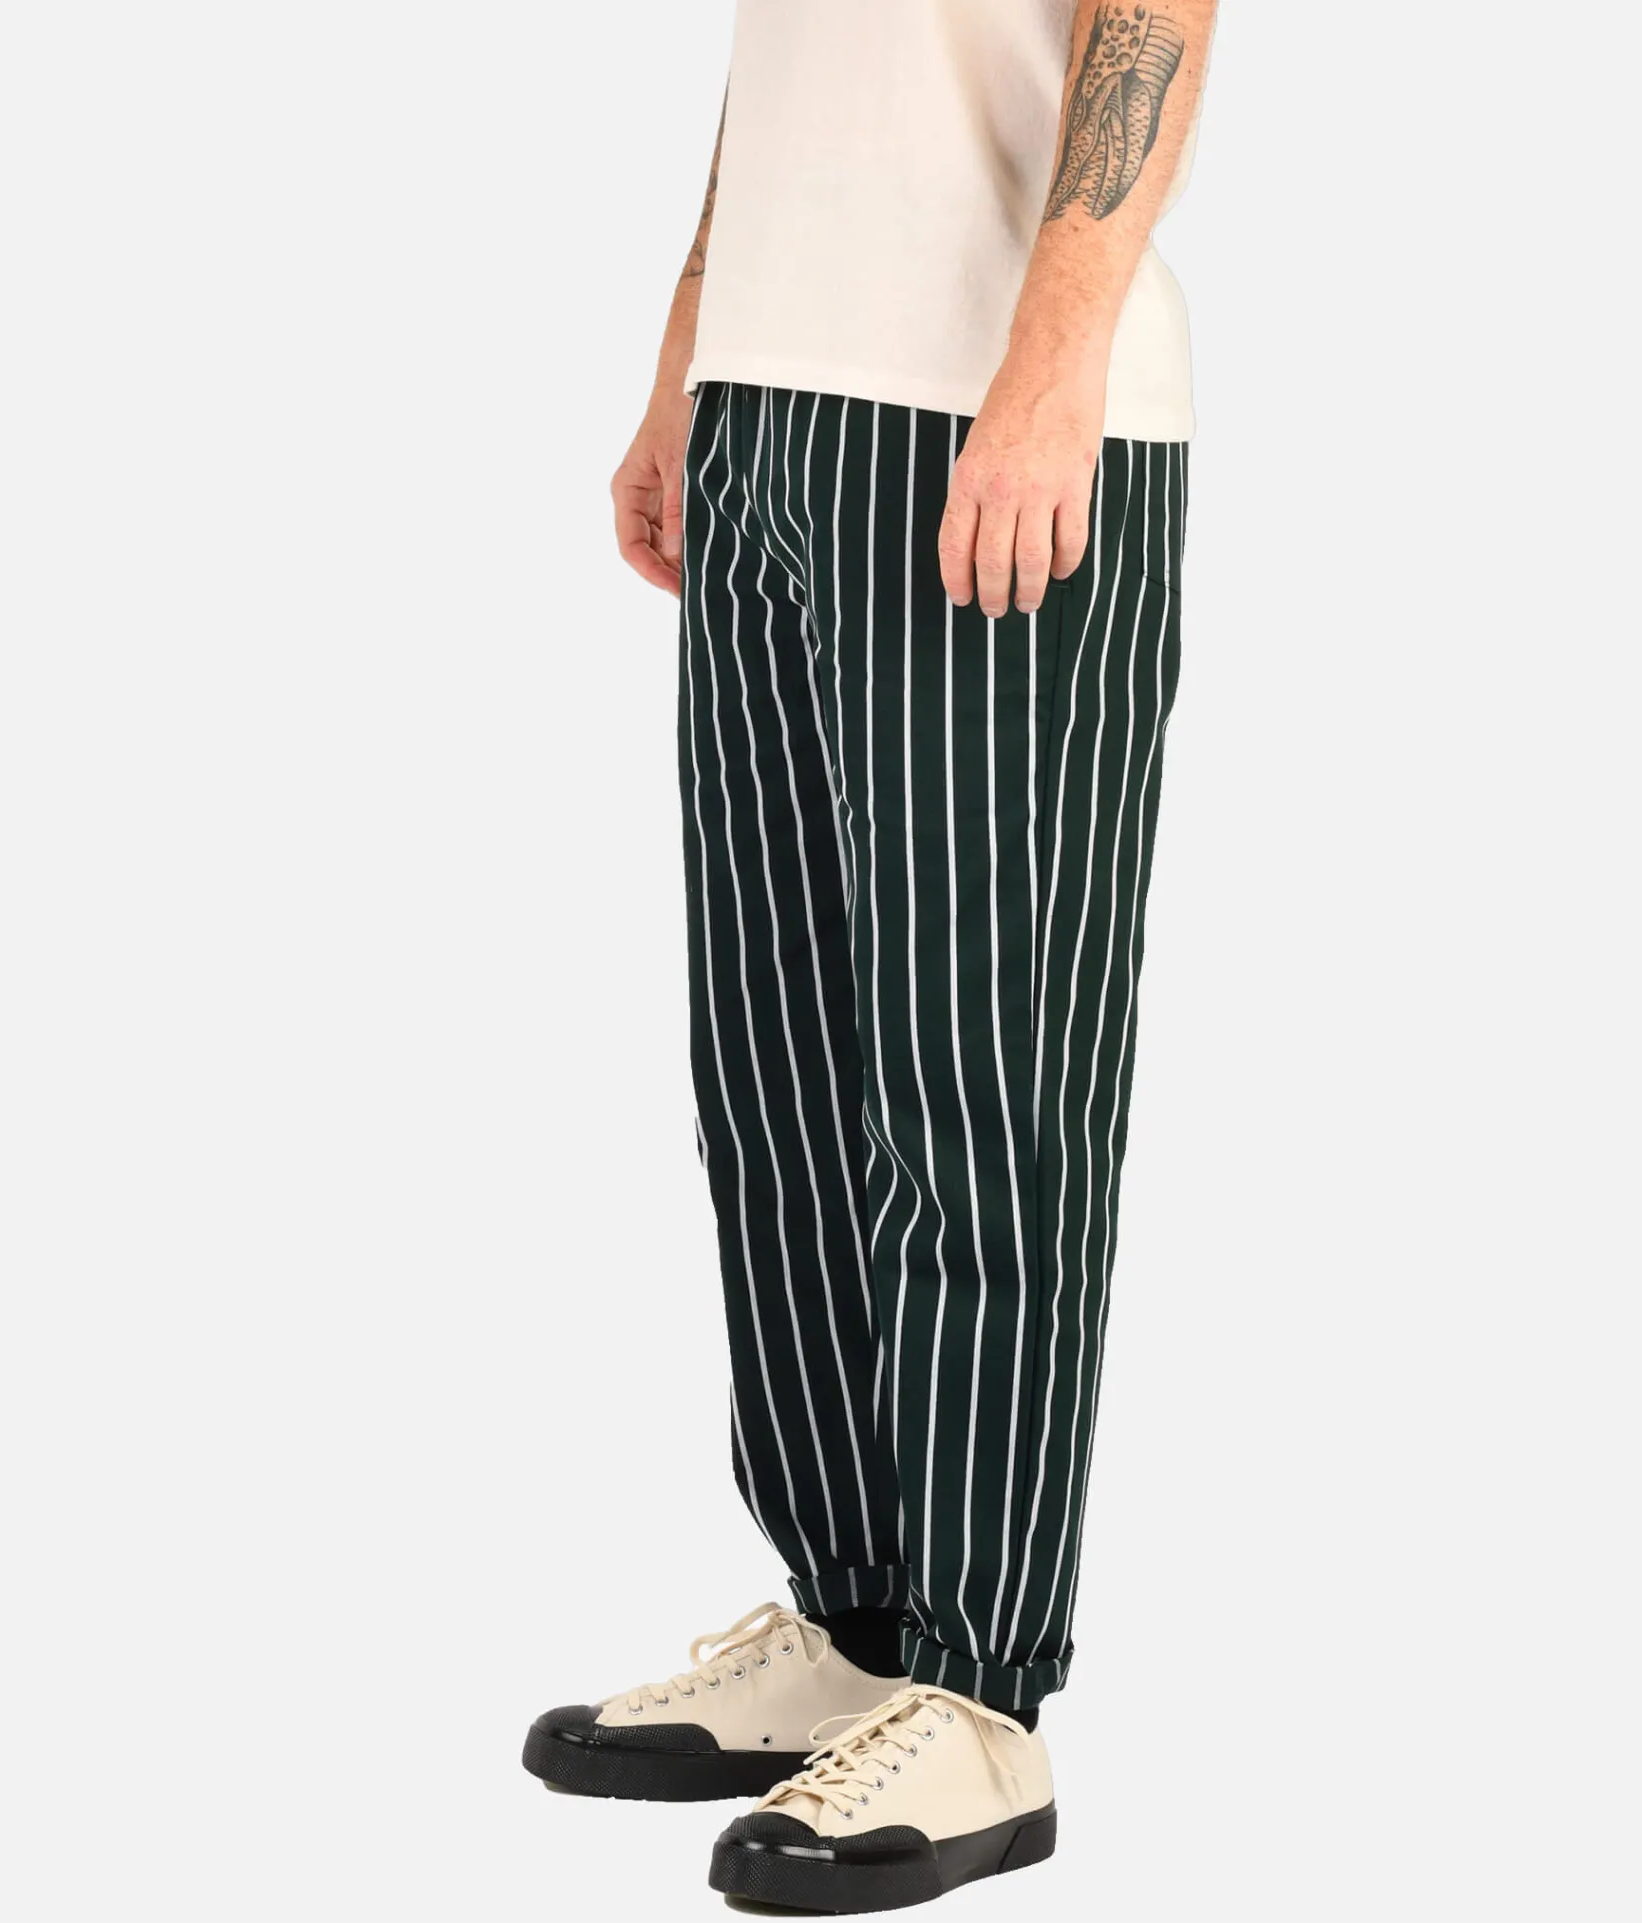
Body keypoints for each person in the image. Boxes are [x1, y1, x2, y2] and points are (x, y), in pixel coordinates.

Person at [522, 2, 1216, 1908]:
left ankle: (981, 1691)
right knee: (777, 1070)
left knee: (982, 1071)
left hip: (988, 412)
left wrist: (1054, 362)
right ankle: (851, 1617)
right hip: (770, 406)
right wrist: (693, 351)